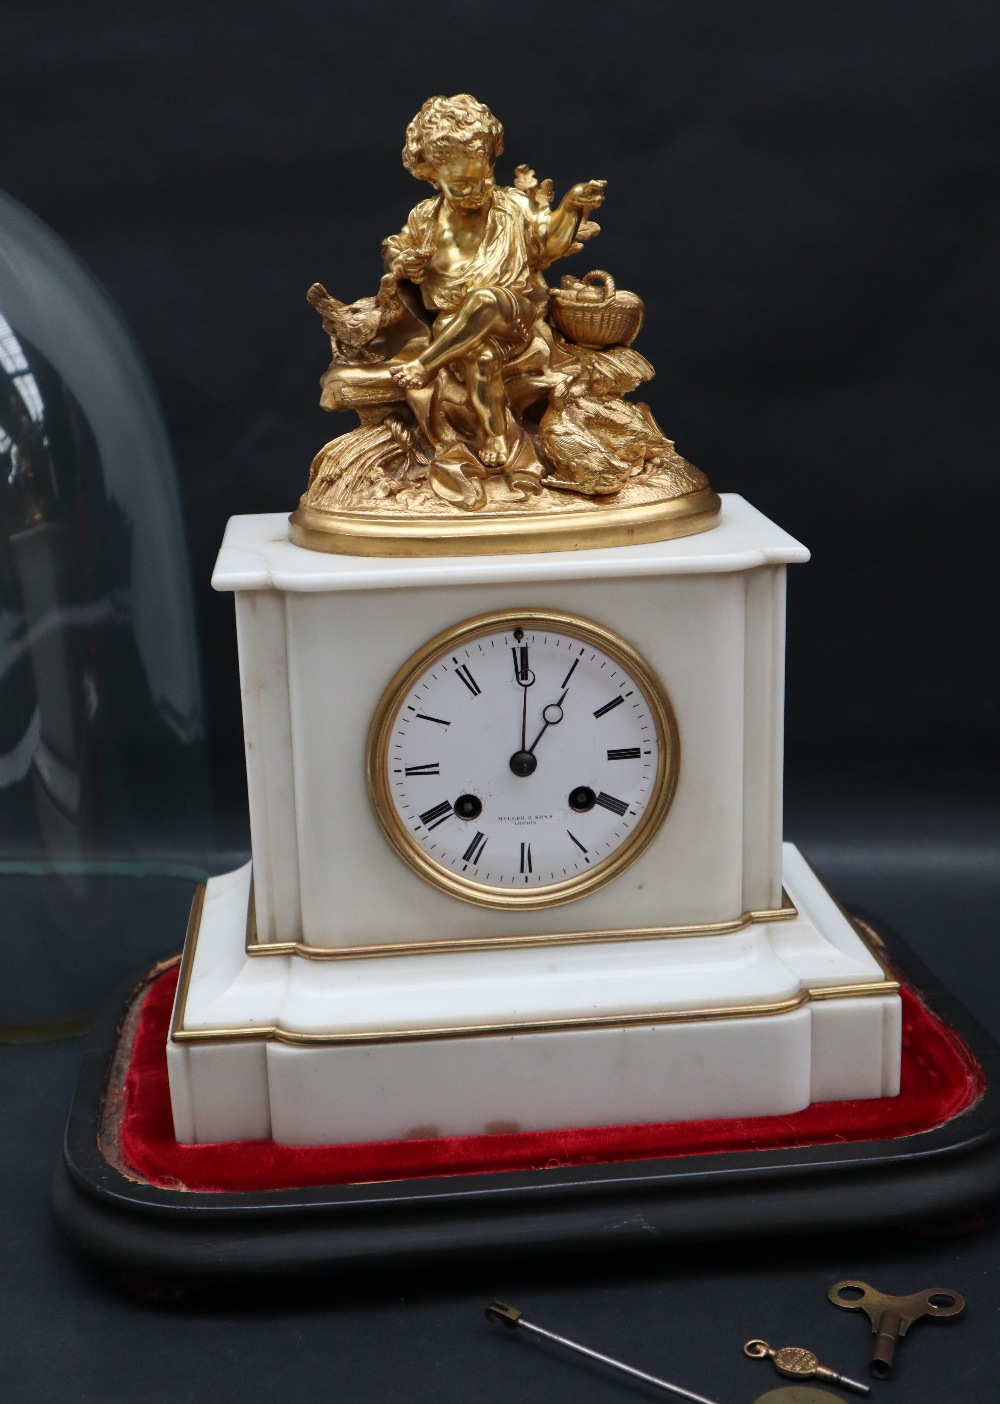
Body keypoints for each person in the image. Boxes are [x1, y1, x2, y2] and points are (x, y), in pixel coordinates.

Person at [383, 94, 605, 469]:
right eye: (460, 184)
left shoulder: (513, 206)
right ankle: (496, 434)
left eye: (482, 175)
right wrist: (404, 263)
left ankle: (425, 365)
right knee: (480, 359)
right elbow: (394, 249)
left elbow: (548, 242)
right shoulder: (425, 217)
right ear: (431, 176)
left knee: (487, 299)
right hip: (454, 326)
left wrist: (571, 204)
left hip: (511, 318)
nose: (476, 188)